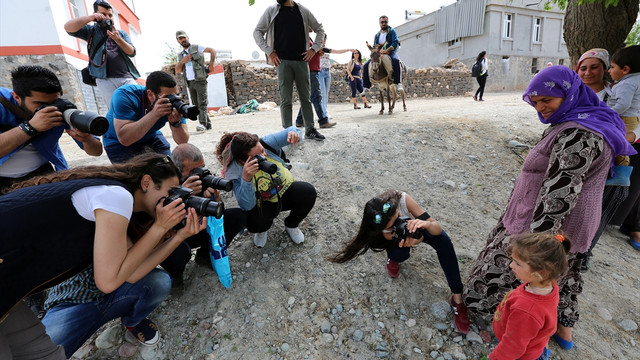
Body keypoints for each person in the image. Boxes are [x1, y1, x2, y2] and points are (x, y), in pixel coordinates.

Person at [463, 66, 635, 350]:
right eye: (536, 101)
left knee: (513, 273)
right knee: (563, 276)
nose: (541, 108)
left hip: (540, 225)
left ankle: (518, 330)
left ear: (567, 94)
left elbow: (558, 197)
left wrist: (534, 248)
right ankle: (559, 330)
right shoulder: (583, 118)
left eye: (547, 100)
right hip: (570, 226)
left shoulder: (578, 134)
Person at [0, 153, 205, 358]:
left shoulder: (117, 201)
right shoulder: (116, 197)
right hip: (67, 298)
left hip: (8, 289)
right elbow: (107, 281)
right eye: (171, 192)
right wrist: (159, 227)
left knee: (44, 354)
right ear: (146, 182)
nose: (173, 201)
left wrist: (179, 236)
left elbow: (131, 275)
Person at [327, 190, 470, 334]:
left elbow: (437, 229)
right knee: (400, 253)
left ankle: (457, 297)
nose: (400, 223)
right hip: (396, 241)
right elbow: (386, 238)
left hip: (415, 226)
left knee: (443, 240)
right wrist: (405, 240)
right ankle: (393, 258)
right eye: (392, 226)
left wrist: (424, 226)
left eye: (398, 217)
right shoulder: (378, 233)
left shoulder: (403, 200)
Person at [0, 66, 103, 191]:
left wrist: (87, 139)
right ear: (16, 97)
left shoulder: (61, 107)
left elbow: (96, 152)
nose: (49, 109)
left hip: (43, 174)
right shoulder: (3, 104)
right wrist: (31, 127)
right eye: (40, 104)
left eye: (54, 101)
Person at [160, 143, 246, 286]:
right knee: (181, 252)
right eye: (193, 170)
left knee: (238, 216)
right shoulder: (163, 182)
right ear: (177, 170)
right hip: (175, 234)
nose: (199, 172)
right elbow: (161, 223)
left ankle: (205, 255)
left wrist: (214, 198)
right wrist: (182, 193)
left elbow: (219, 214)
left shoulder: (203, 176)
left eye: (201, 166)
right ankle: (175, 273)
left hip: (198, 227)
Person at [576, 48, 631, 270]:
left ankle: (583, 253)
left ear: (605, 69)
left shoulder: (618, 96)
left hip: (606, 164)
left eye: (594, 67)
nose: (588, 72)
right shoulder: (570, 95)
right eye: (583, 68)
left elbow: (633, 125)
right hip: (574, 161)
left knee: (595, 212)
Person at [216, 127, 317, 248]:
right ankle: (262, 230)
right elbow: (246, 205)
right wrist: (246, 179)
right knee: (255, 223)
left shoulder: (267, 142)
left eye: (262, 151)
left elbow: (295, 131)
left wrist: (295, 134)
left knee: (308, 192)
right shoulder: (234, 172)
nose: (263, 156)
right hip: (262, 203)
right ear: (243, 161)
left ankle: (291, 224)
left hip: (283, 191)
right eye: (257, 156)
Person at [489, 232, 571, 360]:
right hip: (533, 345)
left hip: (520, 354)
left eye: (517, 263)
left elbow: (512, 347)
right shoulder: (549, 285)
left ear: (540, 273)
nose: (511, 265)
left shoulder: (526, 310)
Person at [253, 0, 327, 141]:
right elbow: (257, 32)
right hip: (282, 62)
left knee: (306, 98)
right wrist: (269, 51)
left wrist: (314, 49)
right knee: (286, 99)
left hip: (302, 61)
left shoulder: (302, 10)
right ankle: (288, 131)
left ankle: (310, 130)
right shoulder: (272, 10)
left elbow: (320, 29)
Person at [64, 0, 140, 108]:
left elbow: (132, 52)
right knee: (115, 109)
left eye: (110, 15)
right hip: (104, 79)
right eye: (103, 14)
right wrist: (90, 18)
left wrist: (118, 39)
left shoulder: (121, 33)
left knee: (136, 104)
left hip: (126, 77)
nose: (108, 18)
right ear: (96, 14)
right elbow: (68, 28)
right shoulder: (90, 31)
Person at [102, 71, 189, 163]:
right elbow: (125, 139)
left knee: (169, 169)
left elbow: (182, 141)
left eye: (175, 95)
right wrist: (154, 114)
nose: (172, 100)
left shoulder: (174, 103)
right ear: (150, 94)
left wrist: (176, 123)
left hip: (150, 136)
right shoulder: (126, 94)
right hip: (117, 141)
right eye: (168, 97)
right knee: (137, 175)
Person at [607, 45, 640, 251]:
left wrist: (606, 112)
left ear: (626, 68)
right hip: (633, 125)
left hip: (629, 125)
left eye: (612, 67)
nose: (610, 71)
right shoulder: (629, 81)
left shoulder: (628, 84)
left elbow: (623, 105)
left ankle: (633, 225)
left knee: (620, 150)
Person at [175, 30, 216, 132]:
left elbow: (212, 50)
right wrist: (183, 61)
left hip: (200, 79)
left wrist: (211, 64)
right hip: (189, 82)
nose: (183, 40)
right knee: (196, 104)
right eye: (180, 38)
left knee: (202, 103)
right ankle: (208, 124)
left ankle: (202, 124)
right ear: (178, 41)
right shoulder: (180, 55)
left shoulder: (196, 48)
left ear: (188, 38)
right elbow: (178, 70)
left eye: (184, 37)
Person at [295, 32, 337, 129]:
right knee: (316, 96)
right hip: (311, 70)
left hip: (313, 69)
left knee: (309, 97)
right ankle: (323, 121)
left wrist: (318, 53)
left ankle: (300, 120)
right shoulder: (303, 38)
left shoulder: (307, 38)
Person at [362, 15, 403, 92]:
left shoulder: (392, 31)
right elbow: (375, 46)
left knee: (396, 60)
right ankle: (366, 86)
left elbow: (395, 42)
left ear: (387, 22)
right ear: (379, 23)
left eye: (385, 22)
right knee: (366, 65)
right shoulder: (377, 35)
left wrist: (386, 50)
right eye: (382, 22)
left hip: (390, 52)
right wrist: (375, 52)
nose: (384, 23)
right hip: (379, 53)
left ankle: (398, 82)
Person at [318, 34, 352, 119]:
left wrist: (348, 49)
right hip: (320, 72)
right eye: (321, 39)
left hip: (327, 72)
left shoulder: (326, 49)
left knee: (326, 93)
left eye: (324, 39)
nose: (323, 40)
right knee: (322, 93)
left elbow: (338, 51)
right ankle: (324, 114)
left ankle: (324, 112)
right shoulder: (316, 49)